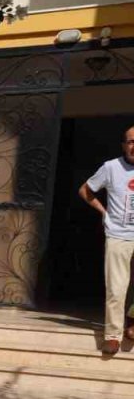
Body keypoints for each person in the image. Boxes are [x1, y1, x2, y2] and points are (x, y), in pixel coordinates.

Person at [79, 125, 134, 355]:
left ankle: (132, 323)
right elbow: (85, 190)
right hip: (118, 235)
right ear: (124, 145)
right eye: (131, 141)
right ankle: (112, 335)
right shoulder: (111, 167)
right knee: (116, 288)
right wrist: (104, 213)